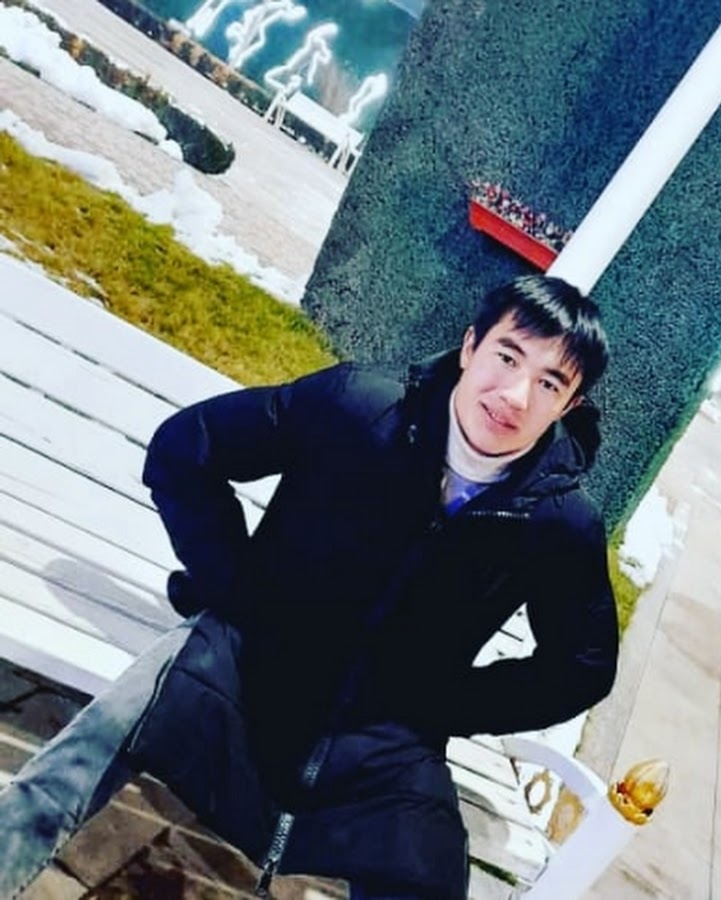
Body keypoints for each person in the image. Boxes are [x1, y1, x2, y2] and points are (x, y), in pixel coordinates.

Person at [0, 274, 619, 899]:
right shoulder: (356, 409)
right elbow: (186, 450)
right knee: (82, 758)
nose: (515, 395)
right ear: (470, 347)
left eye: (550, 383)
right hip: (244, 656)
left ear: (568, 406)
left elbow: (583, 667)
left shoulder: (559, 522)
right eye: (507, 357)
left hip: (386, 735)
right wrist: (237, 590)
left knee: (425, 881)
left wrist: (445, 702)